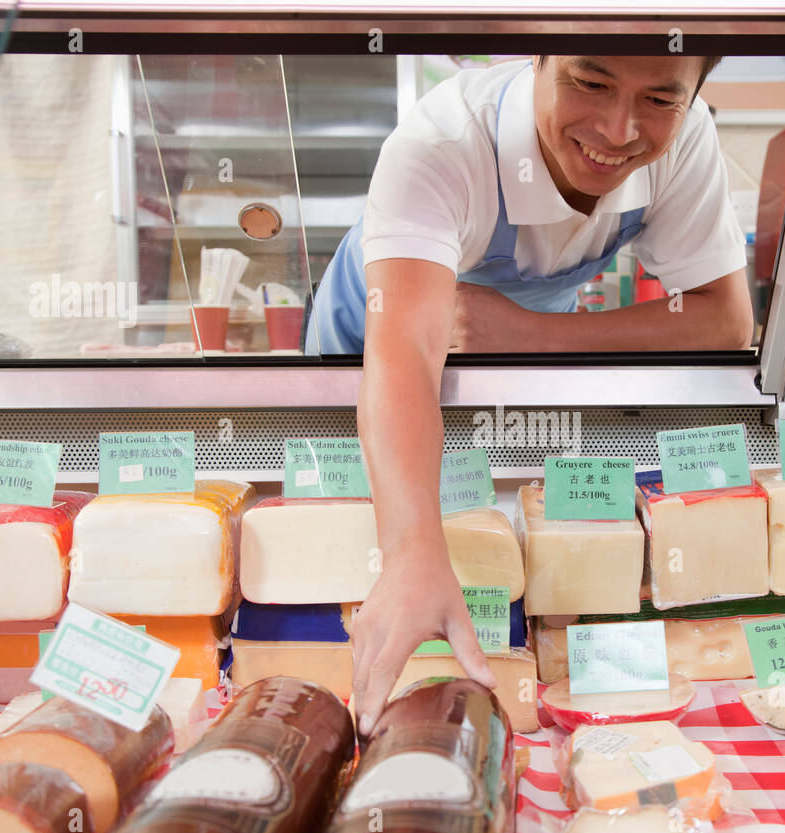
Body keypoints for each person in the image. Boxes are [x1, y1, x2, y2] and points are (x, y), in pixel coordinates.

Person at [319, 55, 756, 735]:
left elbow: (725, 317)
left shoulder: (687, 132)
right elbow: (402, 357)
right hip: (367, 344)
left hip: (510, 354)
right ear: (537, 58)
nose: (618, 130)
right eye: (591, 83)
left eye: (659, 100)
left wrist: (536, 334)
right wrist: (411, 553)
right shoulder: (443, 145)